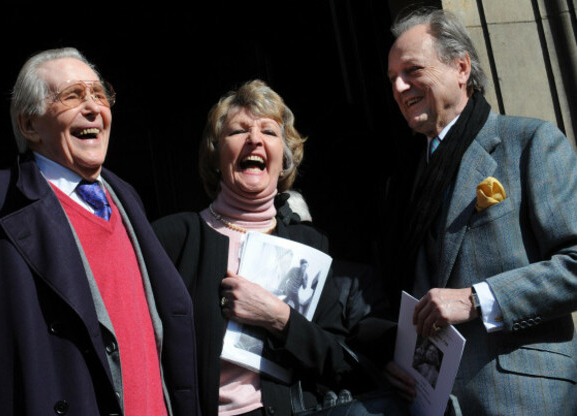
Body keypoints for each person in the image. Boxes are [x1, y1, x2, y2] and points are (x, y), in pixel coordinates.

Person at [0, 47, 200, 415]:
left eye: (99, 94)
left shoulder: (124, 195)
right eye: (72, 96)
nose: (93, 108)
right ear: (29, 125)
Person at [381, 8, 577, 415]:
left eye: (412, 70)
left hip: (525, 397)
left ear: (461, 67)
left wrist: (477, 299)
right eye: (393, 79)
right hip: (430, 401)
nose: (400, 87)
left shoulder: (530, 142)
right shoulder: (401, 182)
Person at [153, 79, 365, 416]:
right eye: (238, 131)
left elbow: (338, 360)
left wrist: (278, 318)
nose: (254, 139)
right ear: (216, 153)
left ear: (284, 159)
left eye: (268, 131)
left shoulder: (310, 245)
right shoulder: (172, 238)